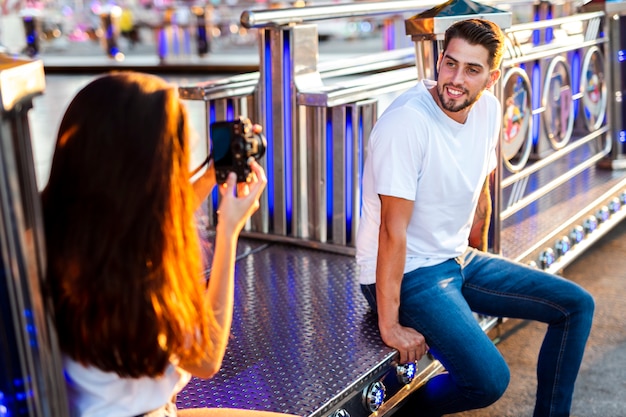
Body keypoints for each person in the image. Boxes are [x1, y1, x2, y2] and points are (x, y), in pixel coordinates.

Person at [355, 19, 594, 417]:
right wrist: (389, 325)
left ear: (491, 77)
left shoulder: (488, 110)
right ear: (439, 59)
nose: (455, 79)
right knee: (487, 381)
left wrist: (477, 260)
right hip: (407, 271)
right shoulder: (407, 123)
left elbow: (480, 187)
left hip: (457, 259)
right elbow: (391, 232)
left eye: (471, 70)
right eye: (450, 63)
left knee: (576, 305)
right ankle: (404, 412)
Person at [42, 72, 298, 417]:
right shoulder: (138, 275)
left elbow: (140, 218)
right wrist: (229, 229)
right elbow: (206, 361)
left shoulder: (49, 230)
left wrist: (210, 177)